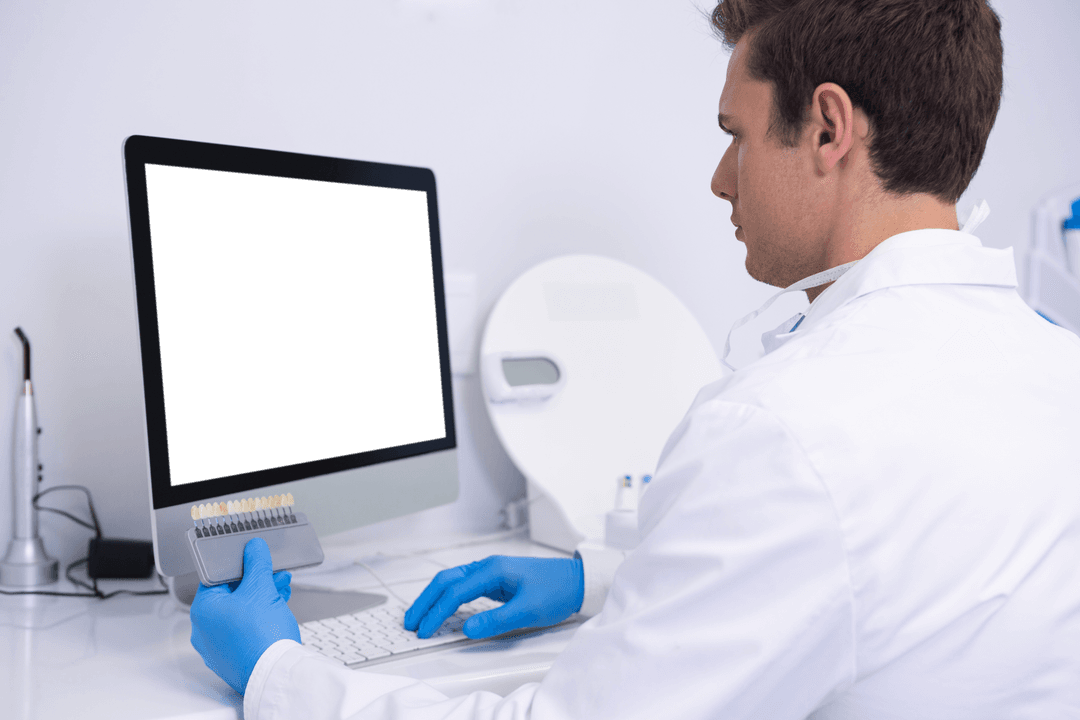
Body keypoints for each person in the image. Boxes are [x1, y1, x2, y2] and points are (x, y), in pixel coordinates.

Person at [190, 0, 1080, 717]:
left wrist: (276, 672)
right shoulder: (1057, 369)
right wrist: (599, 580)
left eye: (736, 134)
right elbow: (881, 588)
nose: (720, 179)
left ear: (827, 129)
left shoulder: (785, 431)